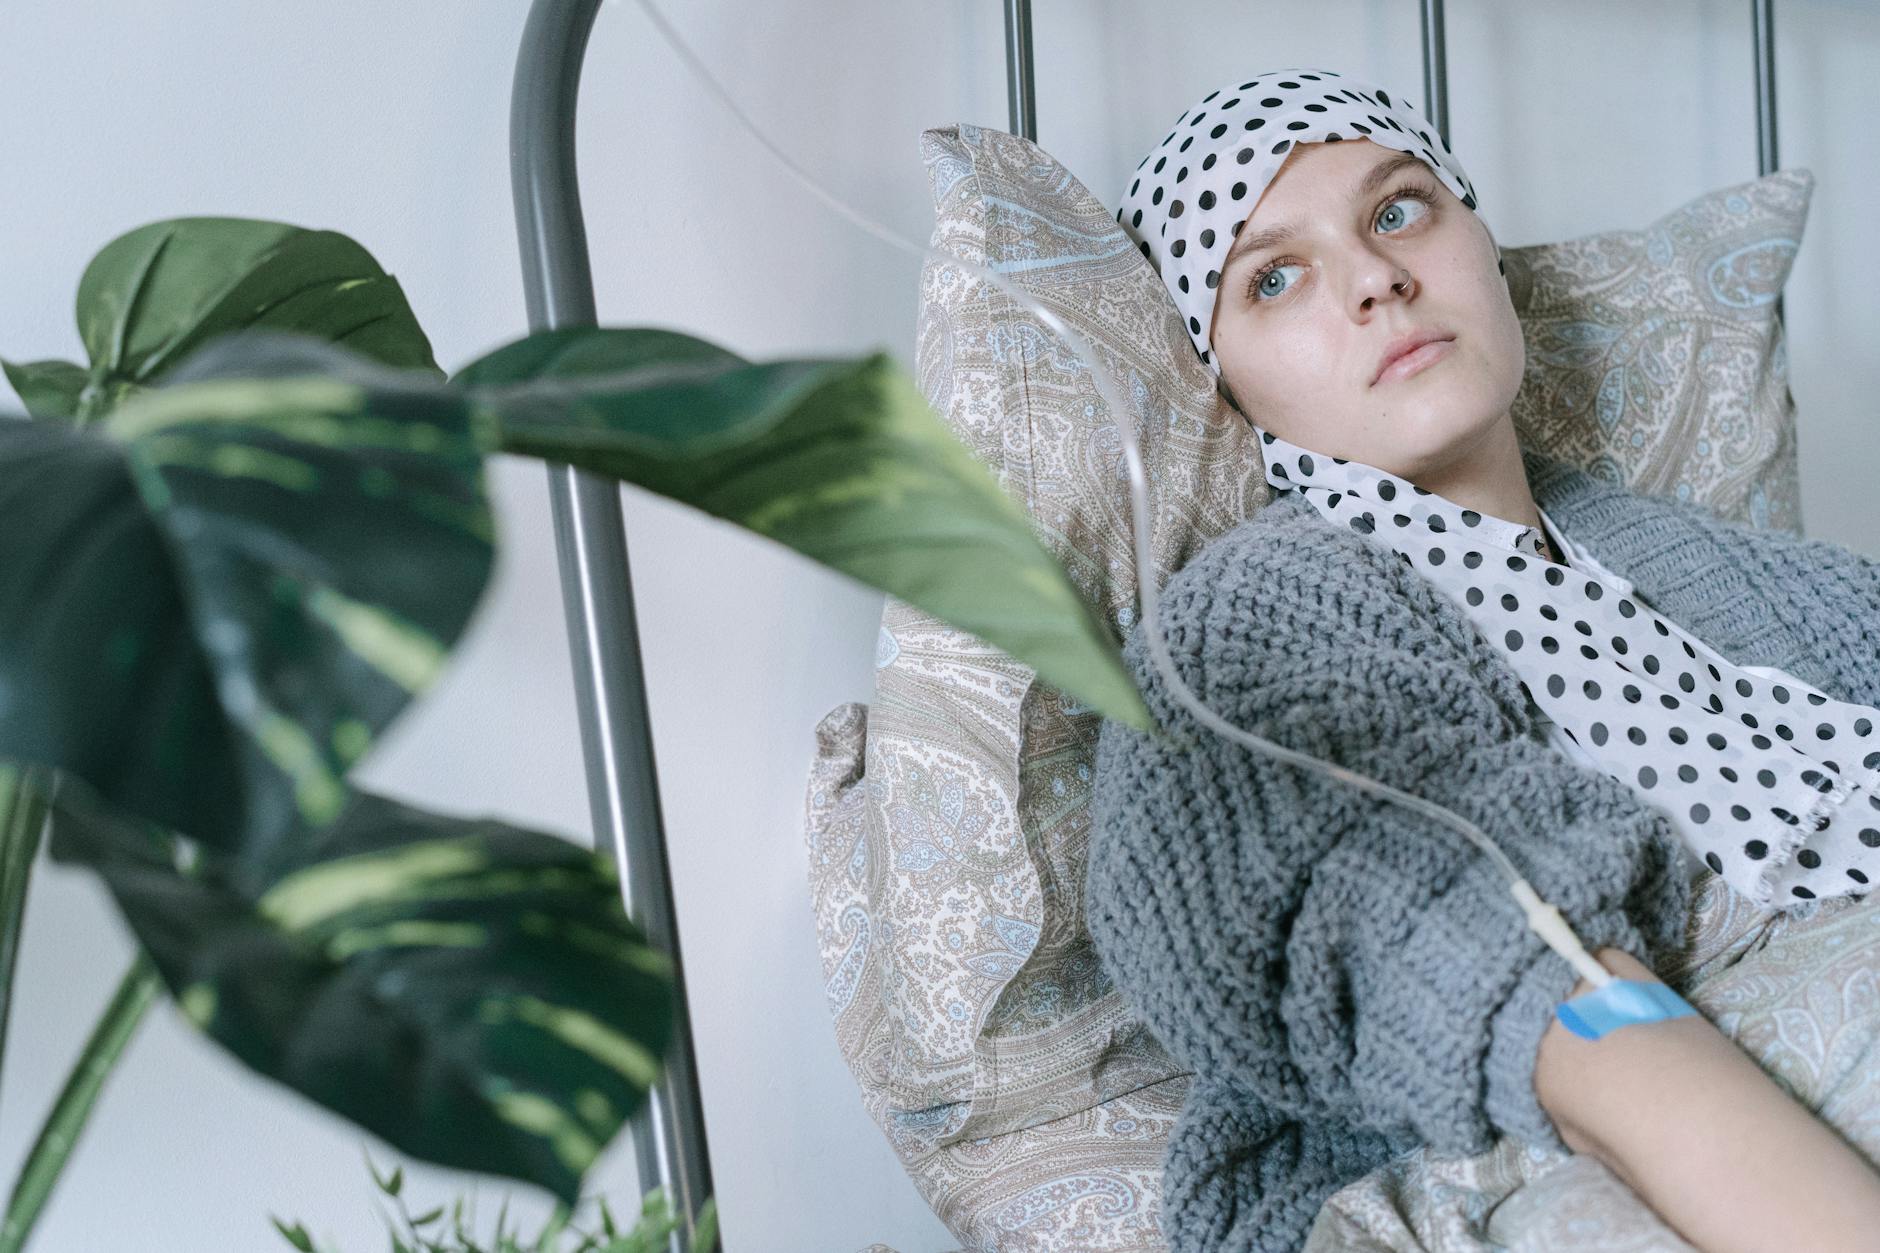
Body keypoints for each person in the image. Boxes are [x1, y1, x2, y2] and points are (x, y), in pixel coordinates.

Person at [1088, 68, 1880, 1253]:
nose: (1375, 280)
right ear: (1220, 381)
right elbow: (1471, 960)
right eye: (1272, 275)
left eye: (1397, 209)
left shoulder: (1741, 579)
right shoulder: (1245, 627)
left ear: (1483, 245)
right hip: (1523, 1149)